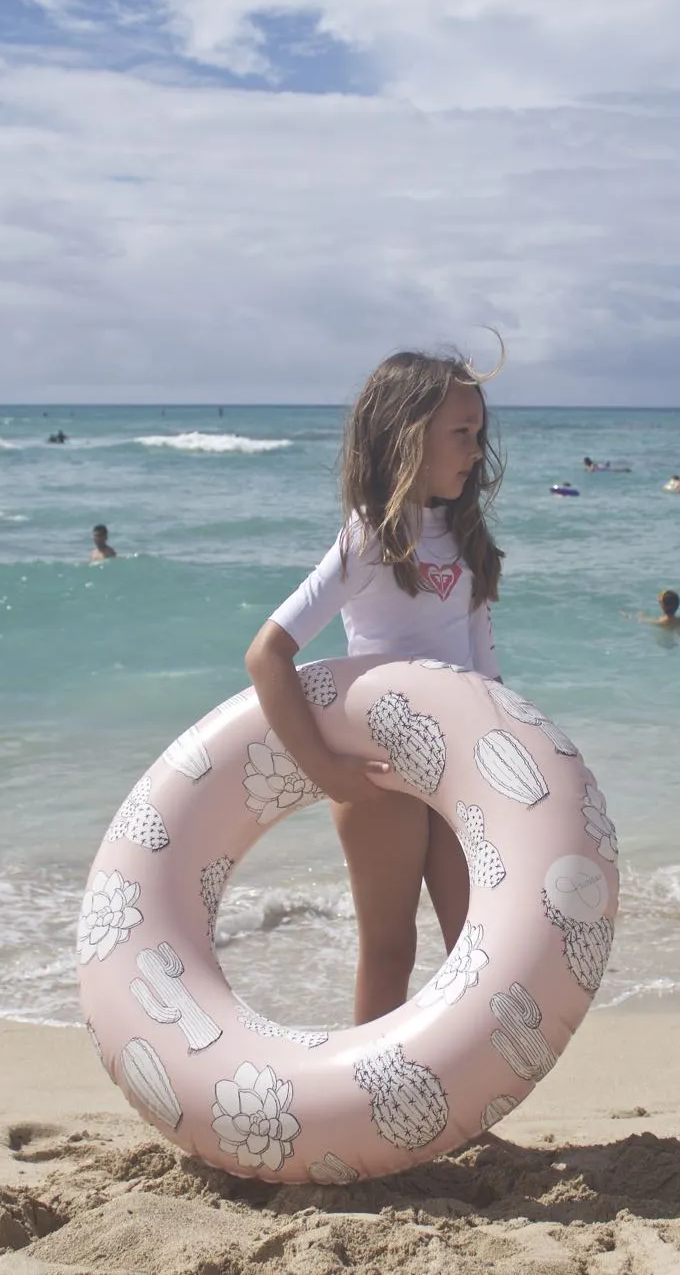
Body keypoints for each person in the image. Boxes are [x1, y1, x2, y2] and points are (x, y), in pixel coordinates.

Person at [245, 345, 504, 1025]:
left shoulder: (468, 539)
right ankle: (370, 1114)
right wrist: (325, 768)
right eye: (461, 434)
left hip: (456, 772)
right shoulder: (368, 541)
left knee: (474, 950)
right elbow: (267, 656)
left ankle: (461, 1104)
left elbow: (488, 677)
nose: (475, 450)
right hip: (382, 769)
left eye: (479, 434)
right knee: (391, 948)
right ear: (406, 436)